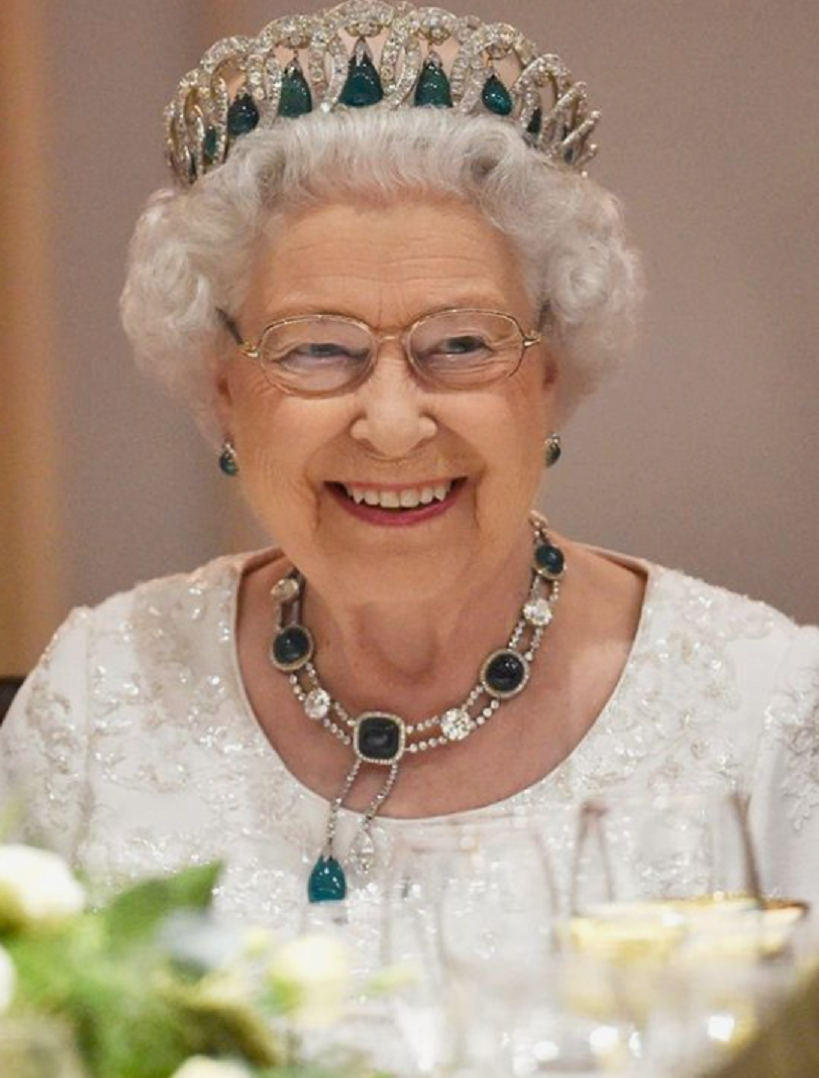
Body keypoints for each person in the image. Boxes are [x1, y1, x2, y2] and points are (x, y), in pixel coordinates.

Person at [1, 0, 817, 940]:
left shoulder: (767, 717)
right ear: (225, 391)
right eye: (314, 350)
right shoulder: (101, 699)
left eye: (463, 343)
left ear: (549, 377)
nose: (391, 424)